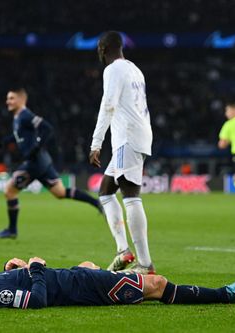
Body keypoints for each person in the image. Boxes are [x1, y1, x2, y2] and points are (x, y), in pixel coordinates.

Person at [0, 256, 235, 309]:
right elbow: (38, 300)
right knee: (157, 284)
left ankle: (115, 271)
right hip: (82, 287)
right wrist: (36, 268)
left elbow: (18, 285)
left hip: (77, 275)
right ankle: (227, 295)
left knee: (89, 263)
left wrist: (11, 266)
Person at [0, 88, 102, 239]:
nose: (8, 101)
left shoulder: (25, 115)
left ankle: (12, 230)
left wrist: (36, 147)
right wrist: (6, 141)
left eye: (11, 98)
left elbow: (47, 128)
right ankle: (96, 203)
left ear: (20, 100)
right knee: (60, 193)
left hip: (34, 163)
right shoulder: (18, 117)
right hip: (42, 162)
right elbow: (19, 134)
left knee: (9, 191)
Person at [89, 31, 154, 274]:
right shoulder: (135, 69)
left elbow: (109, 105)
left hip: (127, 137)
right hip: (136, 135)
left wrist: (96, 143)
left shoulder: (113, 70)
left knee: (130, 195)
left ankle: (146, 265)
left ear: (103, 49)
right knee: (106, 192)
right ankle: (123, 251)